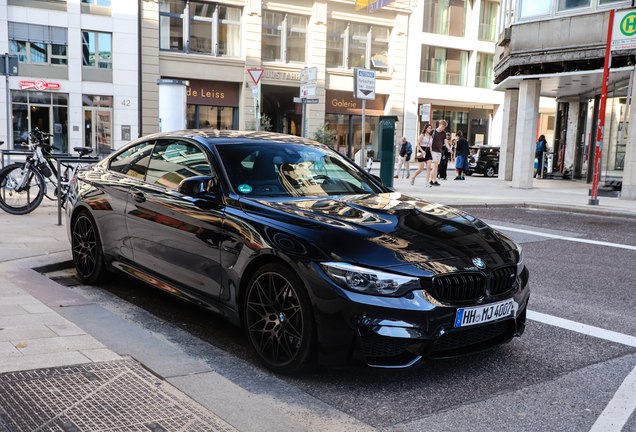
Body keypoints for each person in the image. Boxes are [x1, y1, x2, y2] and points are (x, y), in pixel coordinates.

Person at [429, 120, 452, 187]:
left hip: (439, 151)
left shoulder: (444, 133)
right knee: (435, 165)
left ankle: (431, 180)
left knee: (435, 166)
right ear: (439, 125)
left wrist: (449, 148)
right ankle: (435, 180)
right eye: (443, 126)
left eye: (444, 127)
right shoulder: (433, 132)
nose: (443, 128)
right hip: (433, 150)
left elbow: (445, 142)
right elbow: (429, 141)